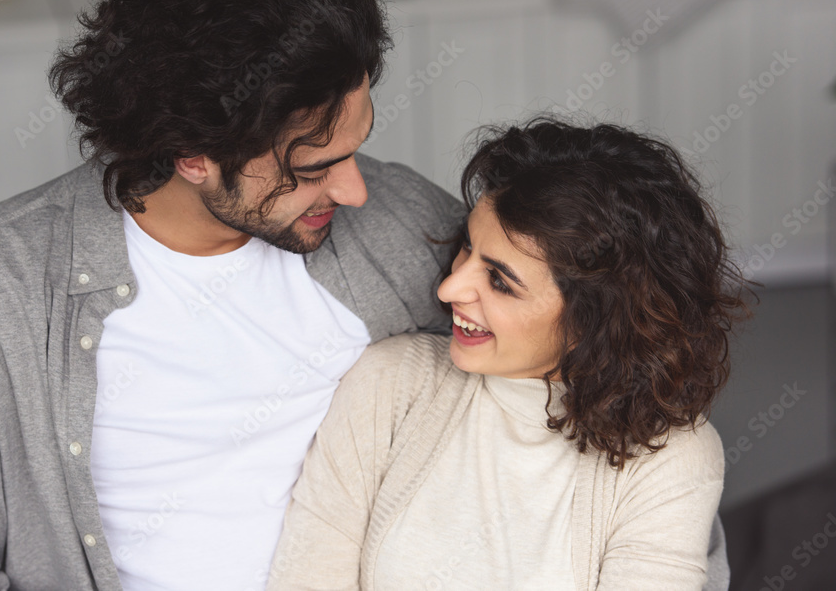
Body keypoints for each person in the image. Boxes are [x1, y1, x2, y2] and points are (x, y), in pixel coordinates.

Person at [0, 0, 464, 589]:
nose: (357, 189)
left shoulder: (406, 226)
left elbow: (562, 386)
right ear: (194, 156)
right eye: (313, 166)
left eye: (356, 148)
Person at [268, 119, 754, 590]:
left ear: (595, 323)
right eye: (466, 248)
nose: (449, 287)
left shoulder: (671, 459)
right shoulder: (388, 383)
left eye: (500, 281)